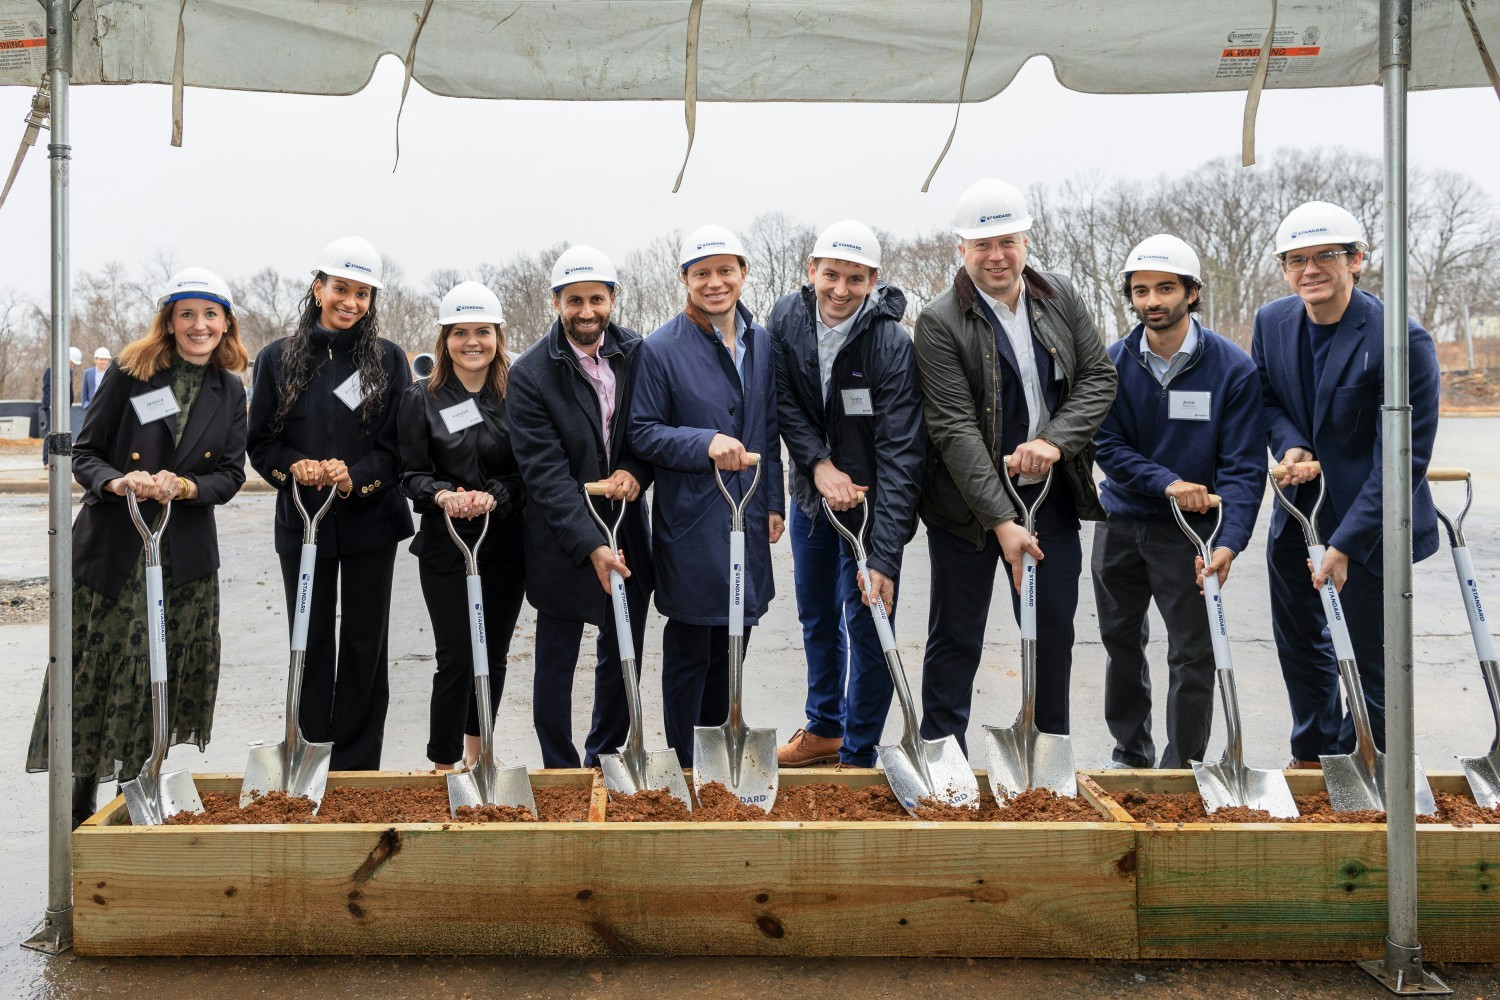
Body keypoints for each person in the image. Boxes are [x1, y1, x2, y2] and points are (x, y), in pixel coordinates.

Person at [27, 267, 248, 827]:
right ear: (169, 322)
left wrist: (188, 486)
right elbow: (85, 453)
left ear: (226, 324)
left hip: (184, 560)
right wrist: (119, 482)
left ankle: (141, 781)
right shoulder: (131, 373)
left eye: (210, 315)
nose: (199, 326)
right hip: (117, 551)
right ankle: (81, 791)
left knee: (162, 672)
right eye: (187, 314)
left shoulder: (230, 391)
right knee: (102, 670)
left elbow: (230, 473)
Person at [913, 177, 1116, 754]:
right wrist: (1002, 522)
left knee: (1051, 631)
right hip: (966, 509)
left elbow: (1099, 378)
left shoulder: (1061, 294)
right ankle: (943, 755)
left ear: (1026, 240)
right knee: (957, 636)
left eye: (1007, 241)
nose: (996, 256)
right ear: (961, 250)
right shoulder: (939, 321)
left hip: (1049, 497)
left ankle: (1047, 753)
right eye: (981, 245)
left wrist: (1054, 441)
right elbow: (953, 430)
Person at [1251, 201, 1440, 767]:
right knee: (1302, 648)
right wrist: (1290, 444)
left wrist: (1346, 544)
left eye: (1326, 256)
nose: (1310, 269)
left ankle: (1372, 763)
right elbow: (1265, 396)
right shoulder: (1273, 321)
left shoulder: (1400, 339)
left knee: (1369, 657)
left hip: (1372, 525)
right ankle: (1313, 758)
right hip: (1298, 512)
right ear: (1285, 268)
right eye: (1297, 259)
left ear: (1357, 260)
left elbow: (1402, 460)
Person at [1091, 235, 1265, 769]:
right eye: (1141, 291)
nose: (1152, 301)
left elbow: (1243, 467)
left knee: (1192, 653)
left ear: (1192, 292)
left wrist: (1230, 541)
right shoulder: (1111, 363)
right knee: (1121, 643)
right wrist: (1167, 481)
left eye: (1165, 288)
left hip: (1190, 534)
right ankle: (1130, 752)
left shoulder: (1232, 369)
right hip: (1119, 523)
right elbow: (1107, 446)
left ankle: (1183, 766)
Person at [247, 236, 412, 771]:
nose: (351, 301)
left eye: (363, 293)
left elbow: (397, 448)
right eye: (341, 288)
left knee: (366, 643)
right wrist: (292, 467)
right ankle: (311, 756)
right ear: (319, 288)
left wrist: (354, 479)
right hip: (302, 524)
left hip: (370, 523)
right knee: (310, 639)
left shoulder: (387, 360)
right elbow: (261, 444)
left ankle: (359, 764)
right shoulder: (277, 359)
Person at [769, 220, 924, 768]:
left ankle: (859, 754)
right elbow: (783, 403)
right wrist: (818, 465)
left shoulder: (890, 343)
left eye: (854, 279)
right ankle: (825, 728)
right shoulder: (785, 319)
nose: (840, 289)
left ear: (873, 280)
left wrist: (883, 553)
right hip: (814, 499)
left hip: (871, 506)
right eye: (830, 274)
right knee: (816, 616)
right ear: (811, 271)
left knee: (868, 618)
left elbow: (903, 450)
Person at [629, 224, 786, 766]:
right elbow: (643, 432)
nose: (715, 282)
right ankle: (684, 758)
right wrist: (706, 442)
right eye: (702, 273)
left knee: (735, 636)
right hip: (693, 516)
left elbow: (768, 427)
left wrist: (773, 501)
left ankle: (720, 749)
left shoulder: (763, 342)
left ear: (743, 272)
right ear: (685, 280)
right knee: (693, 640)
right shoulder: (660, 348)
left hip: (747, 508)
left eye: (725, 270)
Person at [508, 245, 655, 768]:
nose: (586, 310)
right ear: (556, 303)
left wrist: (635, 473)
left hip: (627, 528)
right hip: (561, 537)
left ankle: (604, 756)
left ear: (613, 299)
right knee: (556, 657)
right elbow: (543, 473)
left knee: (622, 654)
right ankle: (559, 764)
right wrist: (590, 544)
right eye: (575, 300)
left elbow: (648, 433)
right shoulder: (530, 374)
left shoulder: (638, 354)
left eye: (597, 298)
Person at [398, 282, 527, 771]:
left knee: (492, 655)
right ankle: (444, 762)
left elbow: (527, 473)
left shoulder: (518, 394)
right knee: (455, 658)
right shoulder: (420, 399)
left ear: (497, 335)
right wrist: (443, 495)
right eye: (459, 333)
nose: (472, 342)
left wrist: (495, 495)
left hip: (504, 544)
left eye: (483, 332)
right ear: (444, 339)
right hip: (445, 546)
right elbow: (409, 474)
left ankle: (481, 756)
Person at [39, 346, 82, 465]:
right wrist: (51, 405)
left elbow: (69, 390)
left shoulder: (70, 372)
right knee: (52, 431)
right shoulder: (52, 370)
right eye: (72, 362)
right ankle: (47, 461)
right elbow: (46, 388)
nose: (73, 365)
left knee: (63, 432)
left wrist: (68, 405)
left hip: (64, 408)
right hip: (52, 407)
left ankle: (61, 459)